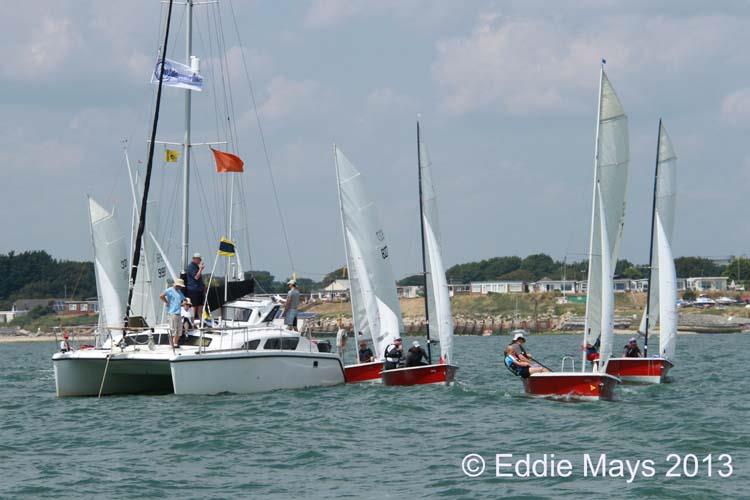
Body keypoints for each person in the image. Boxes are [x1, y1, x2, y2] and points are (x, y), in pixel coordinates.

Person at [160, 278, 186, 348]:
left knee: (179, 331)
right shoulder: (170, 290)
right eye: (180, 286)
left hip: (178, 313)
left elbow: (183, 299)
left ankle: (175, 343)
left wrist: (184, 303)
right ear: (176, 285)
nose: (180, 287)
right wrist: (167, 302)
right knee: (173, 330)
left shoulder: (179, 291)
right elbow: (161, 296)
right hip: (172, 313)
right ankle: (172, 345)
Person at [185, 253, 206, 321]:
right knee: (194, 307)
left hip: (199, 290)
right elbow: (196, 277)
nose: (200, 260)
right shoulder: (191, 267)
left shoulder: (196, 266)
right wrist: (201, 269)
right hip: (193, 290)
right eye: (199, 259)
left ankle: (201, 321)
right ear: (195, 259)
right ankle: (192, 322)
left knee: (200, 306)